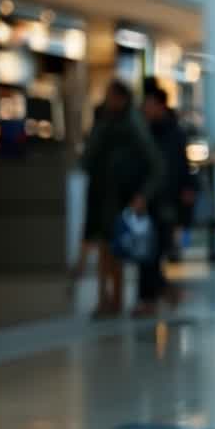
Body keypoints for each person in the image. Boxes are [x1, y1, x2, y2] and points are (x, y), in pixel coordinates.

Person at [80, 81, 164, 318]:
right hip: (104, 192)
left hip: (119, 195)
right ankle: (106, 299)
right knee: (105, 246)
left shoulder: (130, 123)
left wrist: (142, 195)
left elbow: (154, 162)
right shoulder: (107, 120)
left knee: (113, 248)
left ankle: (113, 300)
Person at [136, 85, 192, 315]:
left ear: (160, 105)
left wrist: (186, 191)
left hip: (165, 200)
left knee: (154, 249)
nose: (145, 108)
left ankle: (152, 297)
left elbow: (179, 167)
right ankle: (159, 294)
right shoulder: (146, 130)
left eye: (149, 103)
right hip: (149, 199)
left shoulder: (172, 132)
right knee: (148, 250)